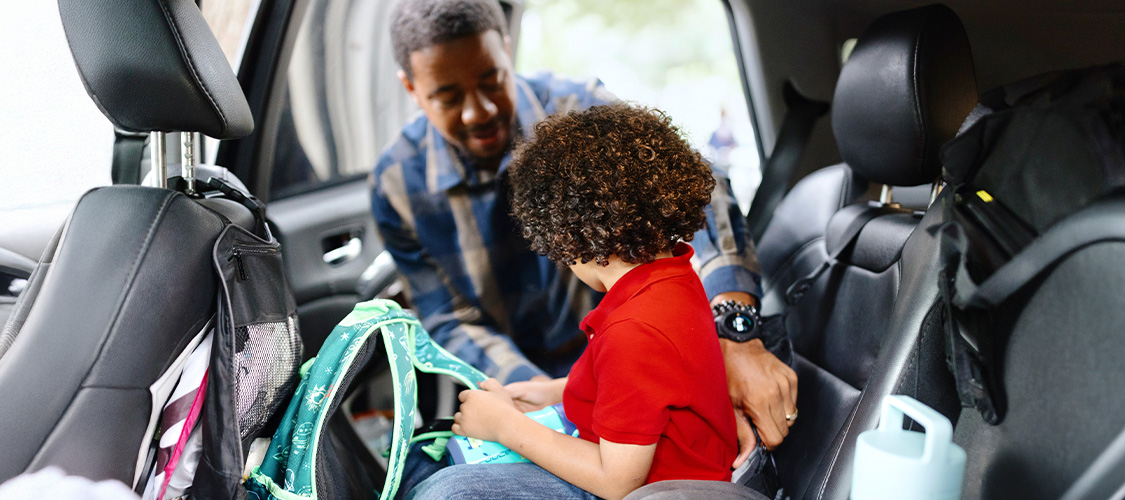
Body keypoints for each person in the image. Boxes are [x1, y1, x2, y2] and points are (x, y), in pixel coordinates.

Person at [369, 0, 798, 455]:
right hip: (540, 383)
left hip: (643, 360)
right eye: (448, 97)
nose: (479, 111)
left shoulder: (580, 111)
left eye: (492, 80)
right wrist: (537, 401)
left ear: (507, 51)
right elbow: (451, 319)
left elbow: (699, 196)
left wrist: (733, 332)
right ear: (411, 88)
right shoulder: (397, 186)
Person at [413, 102, 737, 500]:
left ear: (568, 234)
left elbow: (617, 481)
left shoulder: (633, 331)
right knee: (429, 465)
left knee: (447, 489)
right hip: (663, 472)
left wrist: (505, 427)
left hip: (655, 491)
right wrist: (556, 392)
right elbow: (651, 386)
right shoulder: (674, 279)